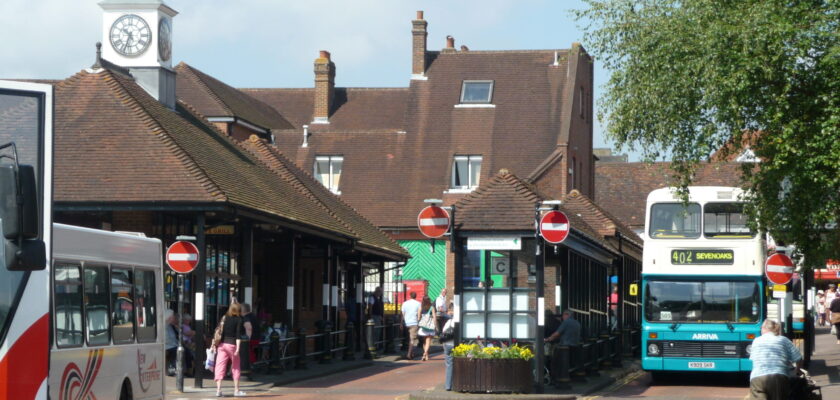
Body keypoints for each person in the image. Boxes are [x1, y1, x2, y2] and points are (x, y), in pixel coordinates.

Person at [749, 319, 802, 400]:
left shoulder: (756, 341)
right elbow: (798, 358)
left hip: (757, 377)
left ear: (764, 328)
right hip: (778, 377)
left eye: (761, 328)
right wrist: (797, 370)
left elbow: (754, 360)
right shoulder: (783, 340)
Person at [212, 302, 252, 398]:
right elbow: (238, 335)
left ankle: (218, 390)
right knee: (235, 367)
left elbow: (219, 331)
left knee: (220, 366)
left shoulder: (224, 318)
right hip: (232, 345)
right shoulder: (239, 319)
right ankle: (236, 390)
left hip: (222, 345)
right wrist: (238, 348)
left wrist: (214, 344)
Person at [401, 292, 422, 360]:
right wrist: (418, 322)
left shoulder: (405, 303)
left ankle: (411, 353)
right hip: (414, 323)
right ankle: (409, 354)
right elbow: (419, 315)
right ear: (416, 296)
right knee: (412, 340)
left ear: (410, 296)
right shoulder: (418, 304)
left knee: (409, 339)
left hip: (406, 323)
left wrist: (401, 323)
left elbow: (403, 314)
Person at [417, 295, 438, 361]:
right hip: (430, 326)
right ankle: (425, 353)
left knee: (424, 341)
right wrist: (435, 326)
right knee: (428, 340)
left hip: (423, 326)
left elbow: (418, 318)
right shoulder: (432, 308)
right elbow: (434, 317)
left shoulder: (420, 307)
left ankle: (426, 355)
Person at [440, 305, 455, 391]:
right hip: (455, 345)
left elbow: (443, 333)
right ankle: (455, 383)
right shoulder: (458, 322)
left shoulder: (448, 322)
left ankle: (448, 386)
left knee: (449, 365)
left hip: (446, 345)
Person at [164, 309, 178, 375]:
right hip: (167, 346)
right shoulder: (164, 326)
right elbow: (167, 339)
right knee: (175, 352)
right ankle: (171, 370)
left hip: (172, 345)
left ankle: (173, 369)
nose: (174, 318)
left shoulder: (170, 326)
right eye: (173, 317)